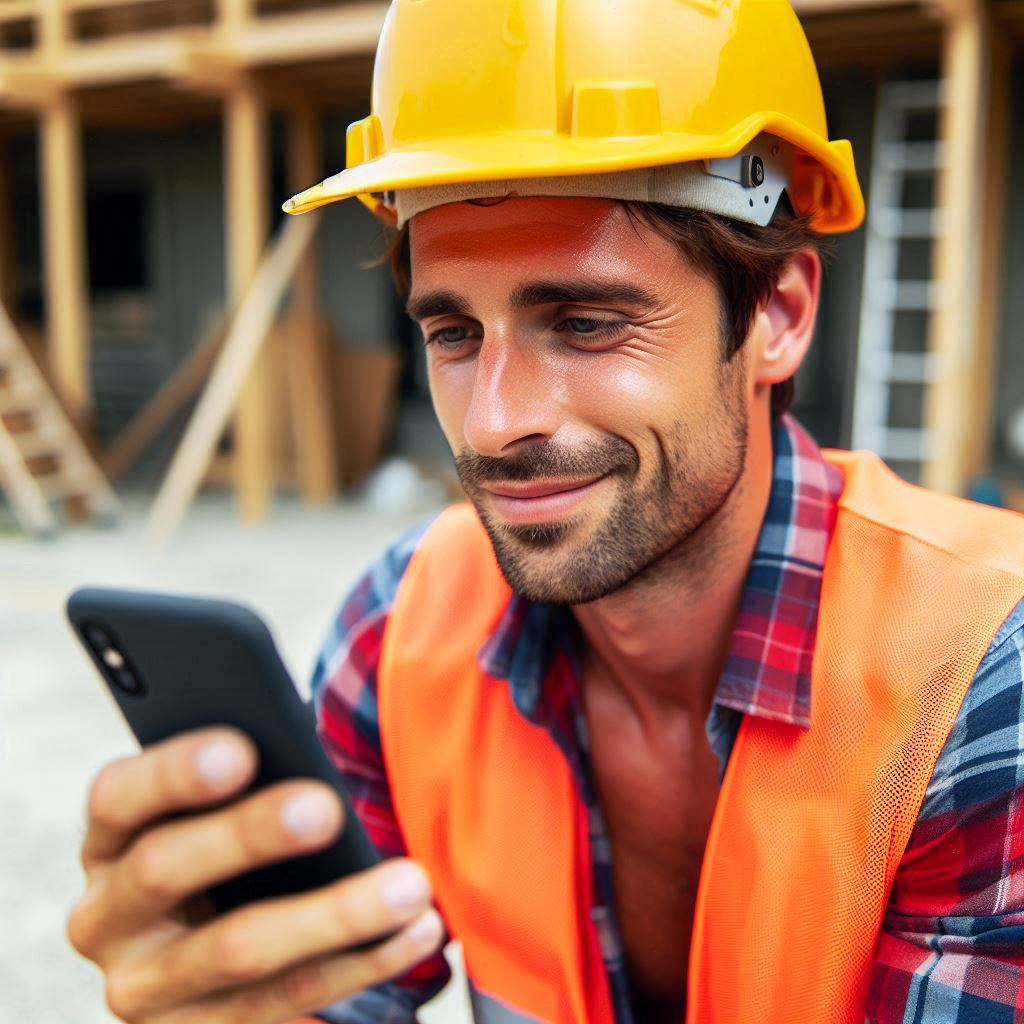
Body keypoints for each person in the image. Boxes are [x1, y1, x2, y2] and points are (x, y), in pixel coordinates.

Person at [67, 1, 1024, 1022]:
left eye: (585, 322)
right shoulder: (401, 628)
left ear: (777, 316)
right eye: (452, 332)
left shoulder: (973, 671)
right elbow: (333, 991)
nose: (492, 422)